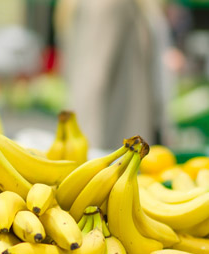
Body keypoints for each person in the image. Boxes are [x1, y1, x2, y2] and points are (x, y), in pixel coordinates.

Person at [54, 0, 175, 150]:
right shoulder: (108, 4)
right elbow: (89, 82)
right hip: (115, 148)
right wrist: (86, 157)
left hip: (127, 143)